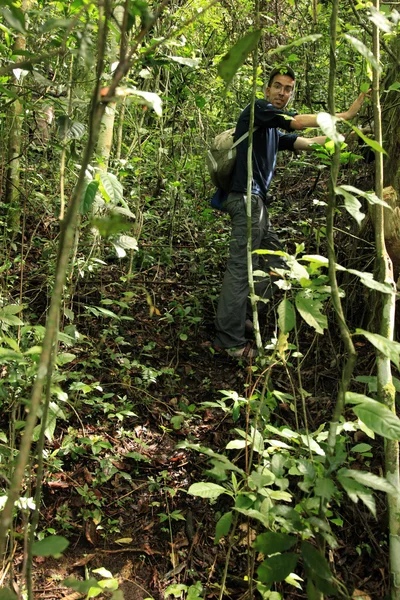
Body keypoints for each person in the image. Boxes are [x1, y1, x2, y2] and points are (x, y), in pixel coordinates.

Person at [214, 66, 368, 358]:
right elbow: (298, 123)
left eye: (287, 89)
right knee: (239, 268)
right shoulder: (258, 110)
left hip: (257, 204)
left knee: (279, 263)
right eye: (278, 86)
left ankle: (242, 314)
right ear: (267, 89)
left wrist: (347, 134)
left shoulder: (271, 127)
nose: (282, 93)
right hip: (246, 199)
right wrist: (345, 114)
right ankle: (228, 340)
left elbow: (309, 143)